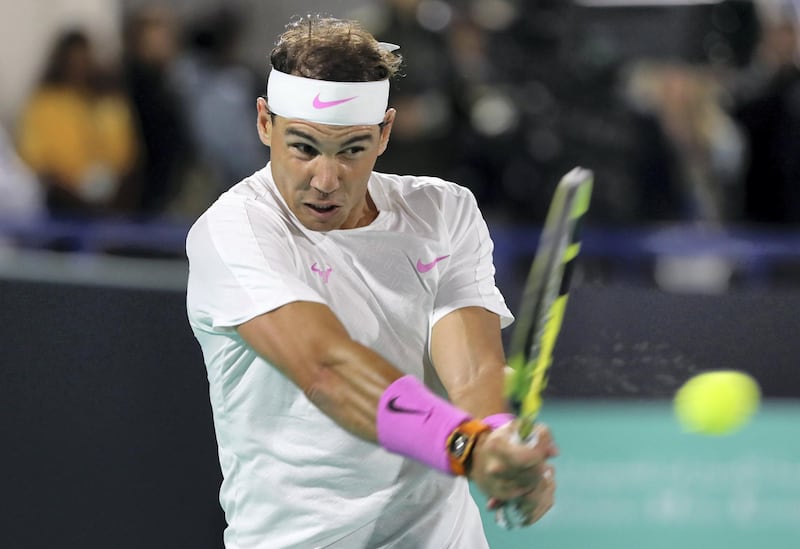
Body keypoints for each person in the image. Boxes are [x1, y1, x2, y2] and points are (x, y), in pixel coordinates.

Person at [186, 16, 557, 549]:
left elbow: (473, 365)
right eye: (304, 147)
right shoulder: (235, 230)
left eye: (352, 149)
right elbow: (327, 371)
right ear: (265, 122)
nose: (326, 179)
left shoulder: (443, 211)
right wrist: (468, 449)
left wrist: (497, 442)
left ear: (385, 132)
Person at [16, 29, 139, 217]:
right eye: (73, 60)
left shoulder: (108, 101)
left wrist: (114, 184)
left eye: (84, 59)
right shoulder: (45, 104)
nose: (79, 66)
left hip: (114, 199)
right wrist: (71, 189)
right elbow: (35, 157)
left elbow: (126, 150)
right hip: (62, 201)